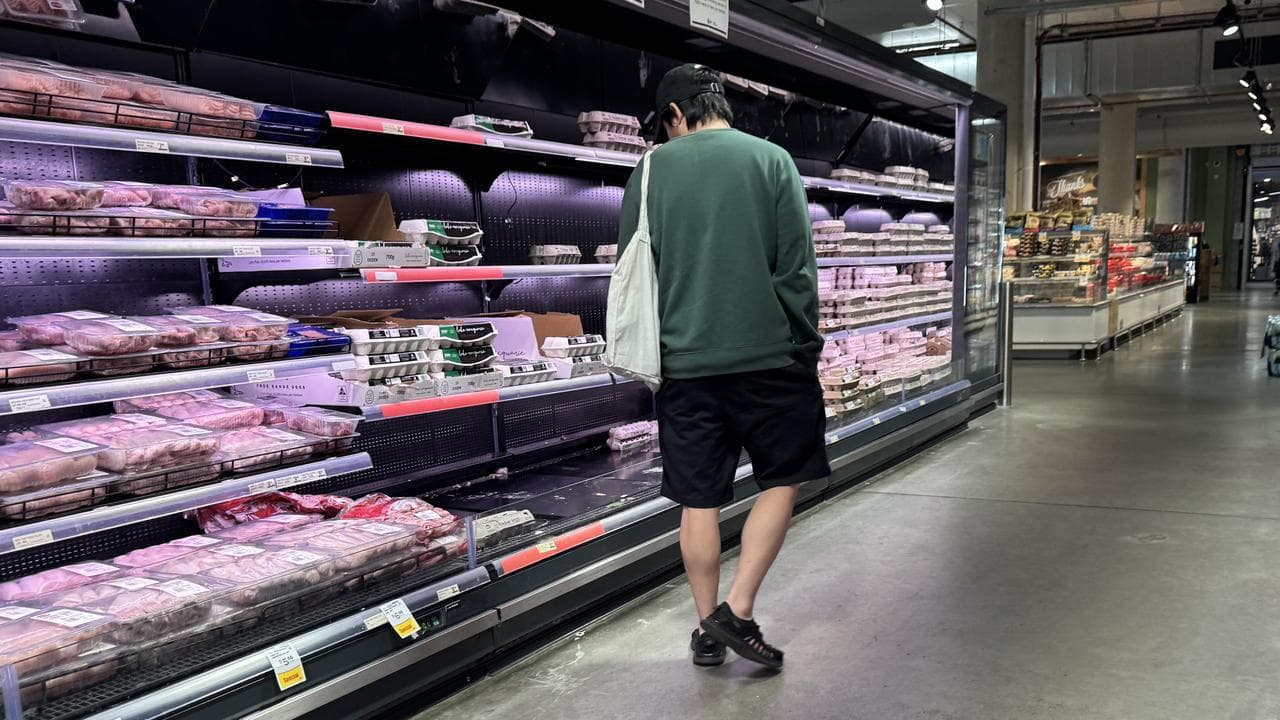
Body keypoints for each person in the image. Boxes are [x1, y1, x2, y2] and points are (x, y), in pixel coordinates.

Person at [616, 64, 830, 670]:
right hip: (769, 356)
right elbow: (796, 270)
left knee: (699, 497)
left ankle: (707, 628)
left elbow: (639, 271)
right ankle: (738, 610)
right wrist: (803, 345)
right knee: (781, 478)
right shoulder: (772, 161)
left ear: (675, 116)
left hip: (684, 363)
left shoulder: (649, 170)